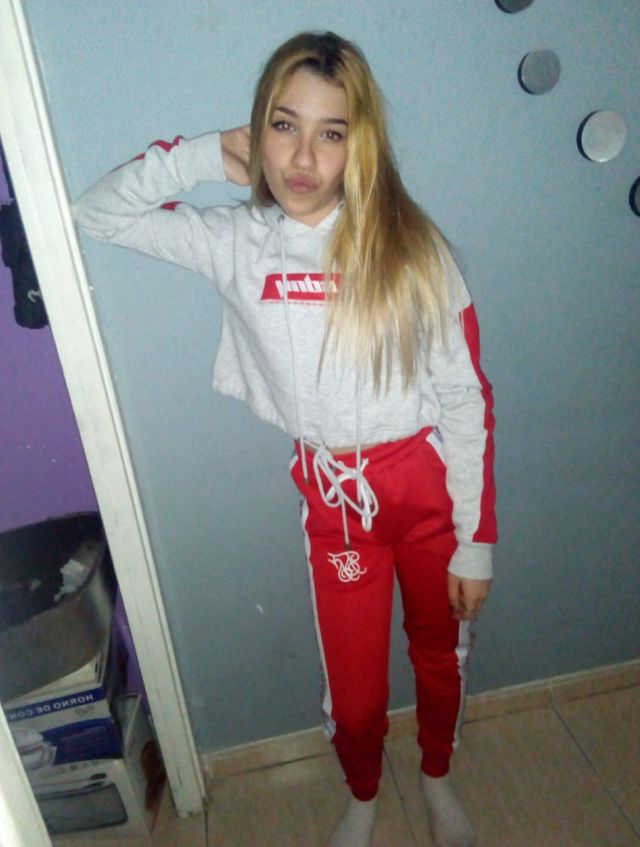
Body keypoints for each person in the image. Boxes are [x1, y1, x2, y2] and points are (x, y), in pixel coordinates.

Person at [75, 30, 496, 847]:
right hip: (335, 501)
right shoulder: (234, 242)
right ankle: (364, 795)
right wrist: (207, 153)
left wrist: (475, 541)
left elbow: (465, 396)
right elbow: (98, 214)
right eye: (283, 124)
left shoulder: (415, 248)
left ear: (358, 144)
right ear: (258, 128)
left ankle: (437, 776)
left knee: (440, 654)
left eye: (331, 132)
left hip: (428, 488)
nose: (303, 156)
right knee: (356, 693)